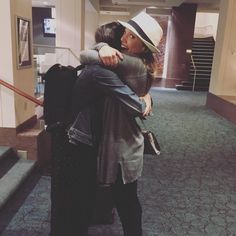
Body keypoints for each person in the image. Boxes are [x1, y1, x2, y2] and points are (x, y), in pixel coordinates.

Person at [50, 12, 163, 236]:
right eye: (123, 36)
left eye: (130, 37)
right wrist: (101, 46)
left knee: (123, 200)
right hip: (103, 141)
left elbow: (86, 56)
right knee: (115, 199)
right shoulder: (126, 67)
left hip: (118, 146)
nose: (123, 41)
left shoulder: (116, 67)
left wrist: (99, 49)